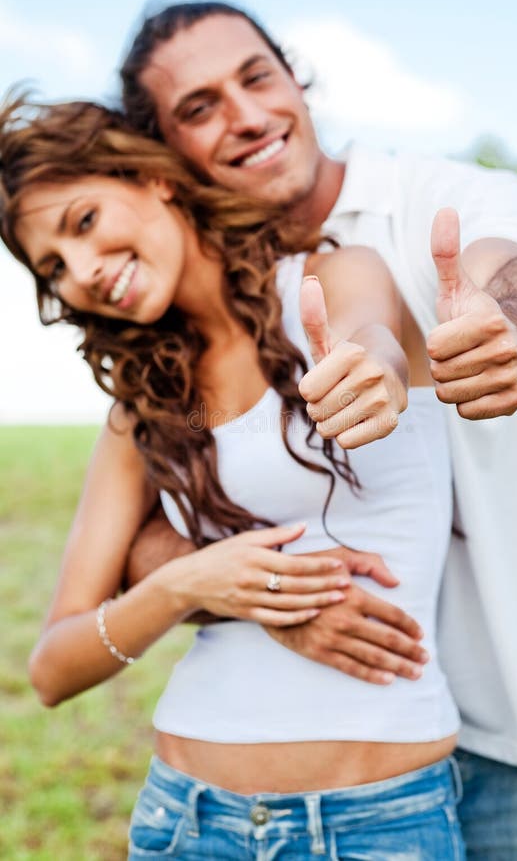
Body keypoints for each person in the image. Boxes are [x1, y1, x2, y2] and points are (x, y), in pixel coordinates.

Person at [118, 0, 517, 859]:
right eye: (200, 108)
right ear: (166, 157)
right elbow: (151, 537)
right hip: (371, 764)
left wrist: (511, 334)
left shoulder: (444, 200)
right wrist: (278, 599)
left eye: (255, 76)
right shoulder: (200, 307)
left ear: (295, 77)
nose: (247, 116)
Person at [0, 94, 468, 859]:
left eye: (83, 223)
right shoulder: (141, 407)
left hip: (383, 821)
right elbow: (52, 668)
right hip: (188, 818)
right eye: (55, 266)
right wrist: (193, 584)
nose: (82, 271)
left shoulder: (331, 279)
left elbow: (370, 337)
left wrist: (371, 369)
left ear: (152, 179)